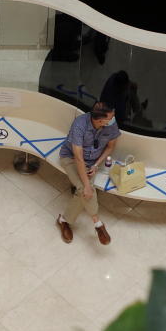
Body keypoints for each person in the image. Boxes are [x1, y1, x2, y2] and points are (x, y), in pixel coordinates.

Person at [55, 101, 120, 245]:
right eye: (111, 117)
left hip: (92, 162)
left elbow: (111, 147)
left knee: (82, 192)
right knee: (84, 188)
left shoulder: (111, 124)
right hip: (71, 158)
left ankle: (63, 220)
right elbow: (78, 157)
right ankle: (98, 223)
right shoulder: (80, 125)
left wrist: (96, 165)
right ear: (100, 120)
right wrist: (86, 185)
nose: (114, 118)